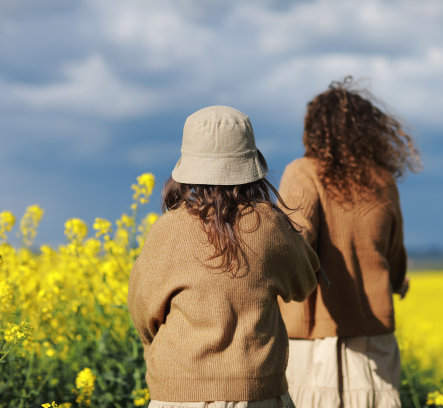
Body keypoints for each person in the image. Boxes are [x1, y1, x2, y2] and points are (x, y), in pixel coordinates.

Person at [127, 105, 319, 408]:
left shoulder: (168, 229)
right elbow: (305, 281)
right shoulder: (269, 223)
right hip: (257, 394)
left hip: (177, 396)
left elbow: (142, 312)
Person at [278, 77, 421, 408]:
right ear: (368, 132)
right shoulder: (383, 181)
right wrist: (398, 283)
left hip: (313, 342)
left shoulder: (303, 172)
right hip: (373, 341)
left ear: (313, 131)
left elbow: (293, 240)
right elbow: (394, 253)